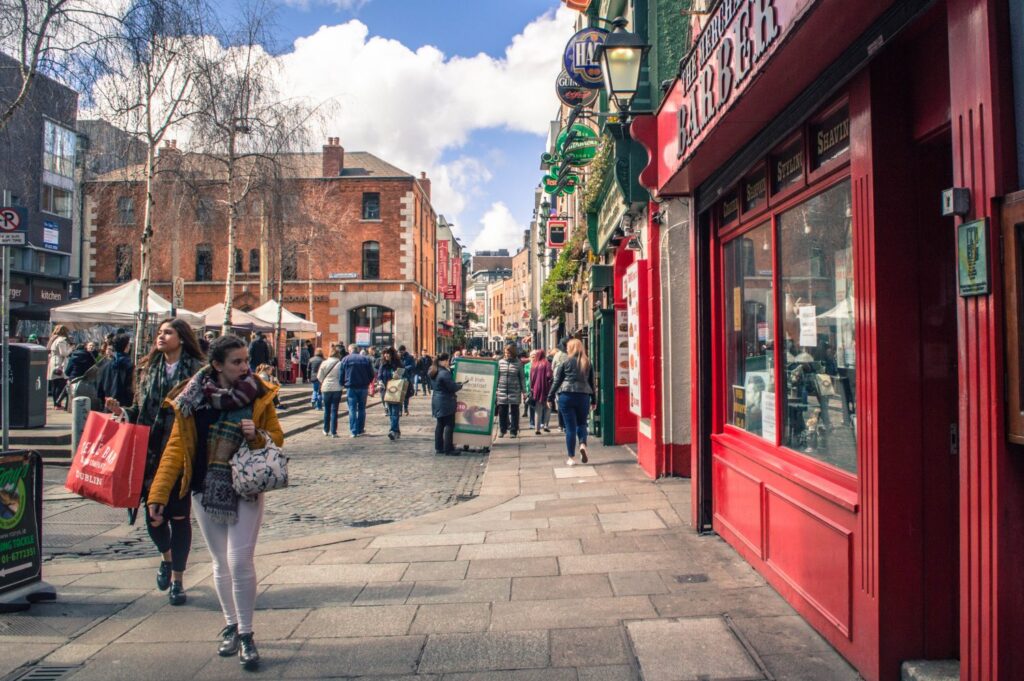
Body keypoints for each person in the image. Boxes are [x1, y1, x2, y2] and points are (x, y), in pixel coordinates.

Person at [147, 334, 283, 670]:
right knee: (220, 562)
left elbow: (277, 438)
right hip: (203, 487)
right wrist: (158, 494)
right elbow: (176, 449)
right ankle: (231, 625)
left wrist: (258, 437)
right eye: (236, 362)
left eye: (246, 361)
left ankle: (248, 634)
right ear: (217, 365)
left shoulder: (259, 393)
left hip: (245, 486)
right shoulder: (192, 398)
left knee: (239, 561)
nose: (244, 368)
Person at [105, 318, 205, 606]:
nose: (161, 337)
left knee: (179, 516)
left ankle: (178, 581)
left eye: (167, 332)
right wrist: (121, 410)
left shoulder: (197, 372)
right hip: (148, 453)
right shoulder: (146, 368)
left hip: (181, 451)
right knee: (153, 515)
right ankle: (166, 557)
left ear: (182, 338)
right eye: (159, 332)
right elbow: (139, 408)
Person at [548, 338, 595, 466]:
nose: (566, 349)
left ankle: (571, 457)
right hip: (583, 396)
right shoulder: (588, 363)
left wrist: (550, 397)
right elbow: (592, 383)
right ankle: (583, 445)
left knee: (570, 428)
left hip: (566, 395)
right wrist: (594, 400)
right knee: (582, 424)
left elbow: (557, 381)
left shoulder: (565, 362)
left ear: (572, 348)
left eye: (568, 347)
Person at [429, 353, 463, 455]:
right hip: (446, 401)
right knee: (449, 424)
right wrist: (459, 385)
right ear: (443, 361)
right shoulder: (444, 373)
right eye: (448, 361)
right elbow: (452, 387)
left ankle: (439, 447)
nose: (448, 363)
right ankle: (448, 449)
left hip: (437, 400)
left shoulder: (432, 370)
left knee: (440, 424)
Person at [340, 343, 374, 437]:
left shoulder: (345, 359)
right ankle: (360, 429)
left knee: (352, 409)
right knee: (362, 408)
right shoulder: (365, 359)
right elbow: (371, 374)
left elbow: (341, 374)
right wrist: (368, 381)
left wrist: (342, 383)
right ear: (358, 350)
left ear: (350, 350)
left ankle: (353, 430)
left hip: (351, 387)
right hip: (363, 387)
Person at [376, 347, 407, 440]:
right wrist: (380, 381)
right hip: (385, 390)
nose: (386, 355)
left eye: (388, 353)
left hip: (396, 390)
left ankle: (392, 430)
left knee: (395, 412)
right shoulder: (382, 364)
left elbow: (405, 375)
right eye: (385, 353)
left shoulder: (398, 364)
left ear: (392, 354)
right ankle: (396, 431)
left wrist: (398, 375)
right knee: (391, 412)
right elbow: (379, 375)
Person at [97, 334, 135, 408]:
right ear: (126, 347)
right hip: (124, 408)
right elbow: (131, 389)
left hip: (107, 405)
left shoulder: (105, 365)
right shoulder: (130, 366)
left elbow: (100, 389)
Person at [496, 344, 525, 438]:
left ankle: (513, 431)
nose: (506, 354)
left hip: (515, 390)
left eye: (508, 352)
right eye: (505, 352)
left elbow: (522, 378)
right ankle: (502, 430)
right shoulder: (500, 362)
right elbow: (497, 376)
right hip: (502, 389)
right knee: (502, 411)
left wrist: (524, 391)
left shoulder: (518, 363)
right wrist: (496, 388)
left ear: (512, 353)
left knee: (514, 412)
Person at [317, 348, 344, 437]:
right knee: (334, 410)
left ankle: (325, 429)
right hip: (337, 388)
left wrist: (324, 382)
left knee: (327, 410)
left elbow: (319, 377)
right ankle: (333, 431)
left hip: (326, 388)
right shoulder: (340, 364)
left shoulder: (324, 363)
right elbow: (342, 376)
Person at [47, 324, 72, 409]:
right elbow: (63, 353)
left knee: (54, 384)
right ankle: (57, 403)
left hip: (53, 361)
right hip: (60, 363)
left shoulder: (53, 339)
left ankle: (55, 403)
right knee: (61, 384)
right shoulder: (62, 340)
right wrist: (71, 349)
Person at [530, 349, 554, 434]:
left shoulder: (534, 364)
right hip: (546, 388)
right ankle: (545, 425)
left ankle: (537, 428)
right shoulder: (547, 363)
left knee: (538, 408)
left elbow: (531, 378)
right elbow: (549, 376)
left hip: (536, 388)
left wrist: (532, 387)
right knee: (548, 407)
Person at [551, 339, 569, 432]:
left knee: (560, 404)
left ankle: (560, 425)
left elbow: (552, 367)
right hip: (567, 383)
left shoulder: (557, 355)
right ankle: (566, 425)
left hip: (558, 383)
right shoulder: (570, 356)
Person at [398, 345, 415, 415]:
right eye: (399, 352)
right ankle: (399, 410)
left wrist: (405, 368)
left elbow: (413, 365)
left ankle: (405, 408)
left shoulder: (410, 357)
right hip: (399, 378)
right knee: (399, 395)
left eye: (401, 352)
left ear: (404, 350)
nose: (400, 353)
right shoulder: (398, 357)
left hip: (407, 377)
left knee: (406, 395)